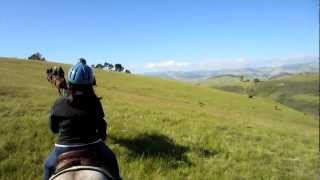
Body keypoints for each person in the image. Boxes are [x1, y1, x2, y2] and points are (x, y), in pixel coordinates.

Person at [44, 59, 121, 180]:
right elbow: (101, 126)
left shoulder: (59, 102)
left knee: (48, 165)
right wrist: (102, 138)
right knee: (111, 158)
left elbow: (53, 128)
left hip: (63, 147)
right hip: (92, 145)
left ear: (69, 81)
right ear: (91, 82)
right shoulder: (95, 103)